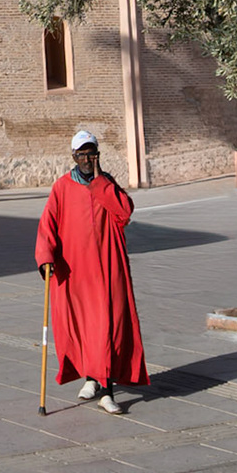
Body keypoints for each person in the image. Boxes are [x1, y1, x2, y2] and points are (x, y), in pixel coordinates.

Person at [35, 129, 148, 414]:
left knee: (108, 327)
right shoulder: (62, 187)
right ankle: (91, 378)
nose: (87, 159)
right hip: (75, 272)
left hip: (108, 271)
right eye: (82, 155)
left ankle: (107, 390)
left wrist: (100, 182)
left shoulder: (106, 183)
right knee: (84, 327)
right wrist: (46, 257)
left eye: (92, 154)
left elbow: (123, 213)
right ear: (73, 156)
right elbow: (48, 224)